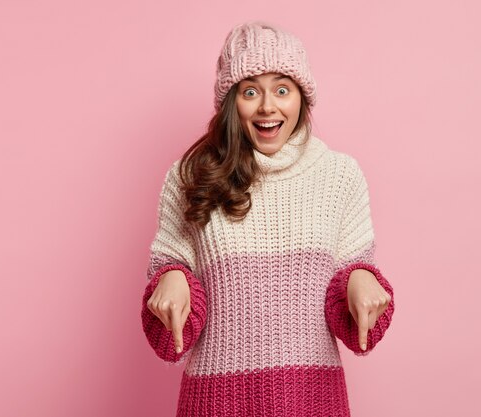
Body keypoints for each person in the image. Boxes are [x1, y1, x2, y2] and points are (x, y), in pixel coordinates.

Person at [141, 21, 395, 416]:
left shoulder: (340, 176)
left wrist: (361, 279)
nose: (267, 107)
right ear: (231, 101)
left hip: (313, 400)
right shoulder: (191, 176)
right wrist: (172, 276)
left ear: (301, 98)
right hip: (215, 402)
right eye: (250, 91)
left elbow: (353, 311)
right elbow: (170, 333)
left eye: (282, 89)